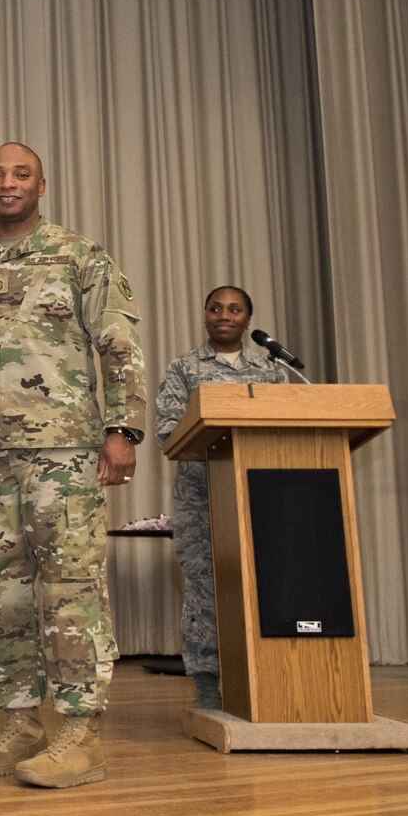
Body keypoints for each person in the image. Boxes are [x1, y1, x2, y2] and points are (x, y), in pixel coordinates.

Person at [0, 142, 146, 789]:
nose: (7, 183)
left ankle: (80, 732)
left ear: (42, 184)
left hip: (65, 451)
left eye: (20, 173)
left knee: (71, 587)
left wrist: (123, 427)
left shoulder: (81, 255)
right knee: (2, 595)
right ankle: (20, 723)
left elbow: (117, 338)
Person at [153, 286, 284, 710]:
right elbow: (168, 431)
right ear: (205, 316)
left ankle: (272, 676)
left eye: (234, 309)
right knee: (206, 590)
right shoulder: (185, 368)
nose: (223, 315)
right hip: (202, 498)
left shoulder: (271, 372)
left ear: (248, 319)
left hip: (263, 495)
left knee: (269, 584)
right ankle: (208, 682)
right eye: (215, 308)